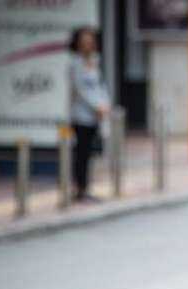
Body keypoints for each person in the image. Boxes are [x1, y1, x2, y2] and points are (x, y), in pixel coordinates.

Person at [69, 27, 111, 202]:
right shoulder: (74, 63)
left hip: (96, 116)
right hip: (81, 116)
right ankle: (79, 190)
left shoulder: (95, 61)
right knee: (81, 153)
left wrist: (105, 104)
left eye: (90, 41)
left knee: (89, 154)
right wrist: (96, 106)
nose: (87, 45)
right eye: (84, 41)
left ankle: (86, 188)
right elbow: (80, 90)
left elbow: (99, 85)